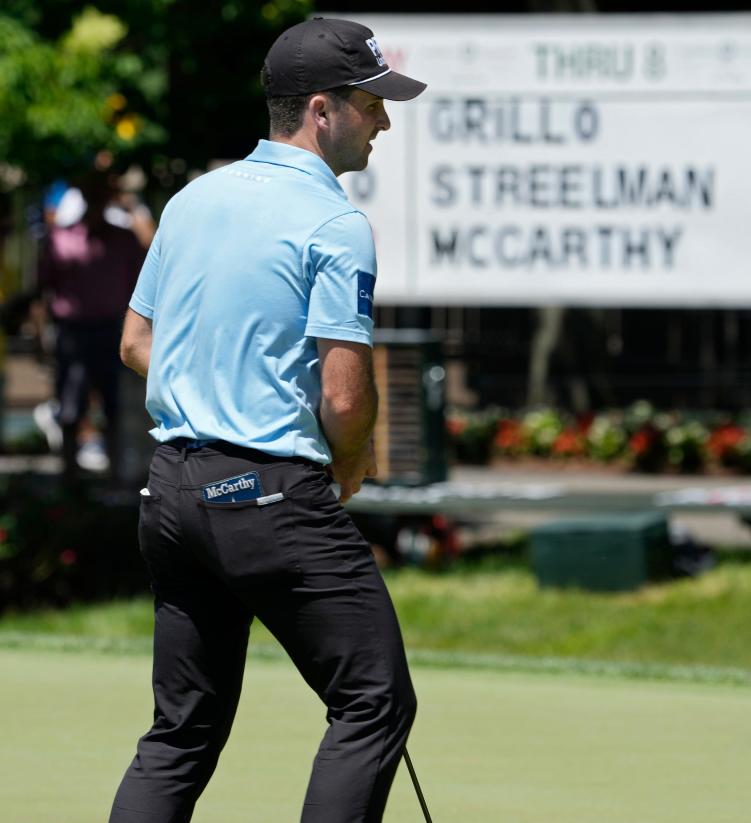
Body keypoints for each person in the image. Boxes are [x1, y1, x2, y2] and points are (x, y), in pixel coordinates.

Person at [109, 17, 426, 823]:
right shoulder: (335, 224)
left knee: (181, 730)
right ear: (322, 110)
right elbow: (347, 399)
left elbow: (137, 342)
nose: (384, 121)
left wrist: (218, 384)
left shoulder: (191, 199)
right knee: (373, 701)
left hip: (172, 493)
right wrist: (347, 466)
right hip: (273, 500)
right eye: (371, 104)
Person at [36, 174, 145, 478]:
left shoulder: (124, 239)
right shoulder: (60, 238)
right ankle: (69, 479)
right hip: (72, 332)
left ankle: (116, 478)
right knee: (70, 406)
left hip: (111, 330)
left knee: (114, 407)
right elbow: (43, 286)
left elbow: (143, 289)